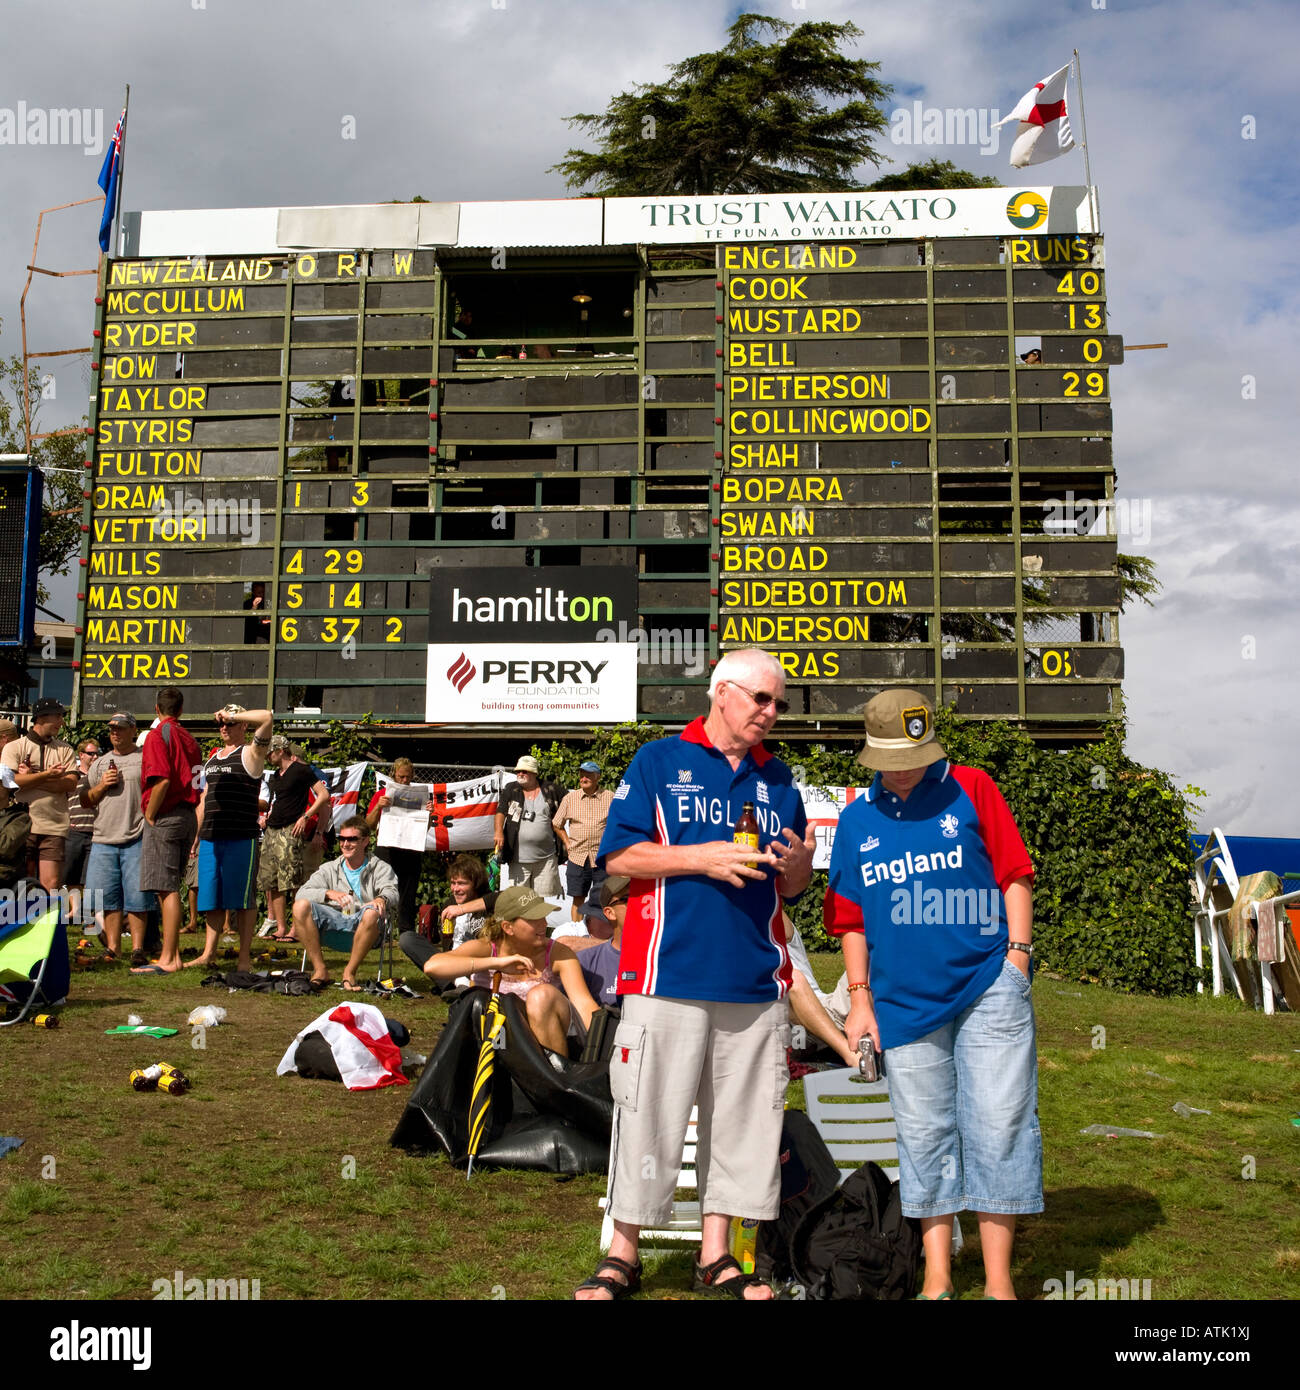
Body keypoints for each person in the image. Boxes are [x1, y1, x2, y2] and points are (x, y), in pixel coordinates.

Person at [575, 648, 815, 1302]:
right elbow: (618, 853)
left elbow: (793, 887)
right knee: (647, 1117)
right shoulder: (658, 760)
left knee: (744, 1126)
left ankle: (718, 1256)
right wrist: (698, 858)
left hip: (755, 985)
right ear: (722, 693)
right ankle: (622, 1255)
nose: (772, 713)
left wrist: (800, 865)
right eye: (762, 699)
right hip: (666, 976)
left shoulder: (779, 778)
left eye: (778, 704)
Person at [824, 689, 1039, 1301]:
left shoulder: (973, 786)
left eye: (915, 752)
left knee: (1000, 1125)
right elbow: (850, 919)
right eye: (892, 754)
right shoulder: (857, 820)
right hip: (902, 1004)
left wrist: (1017, 959)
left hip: (988, 986)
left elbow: (1014, 874)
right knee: (924, 1134)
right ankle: (938, 1276)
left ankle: (999, 1283)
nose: (905, 764)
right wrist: (860, 998)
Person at [423, 884, 600, 1054]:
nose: (544, 924)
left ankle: (551, 1080)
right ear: (508, 927)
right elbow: (432, 966)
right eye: (534, 919)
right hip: (495, 1040)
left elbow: (583, 1005)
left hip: (544, 1041)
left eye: (543, 917)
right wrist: (496, 963)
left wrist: (606, 1048)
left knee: (541, 996)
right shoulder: (487, 948)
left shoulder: (557, 952)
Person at [187, 704, 274, 973]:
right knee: (211, 898)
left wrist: (234, 714)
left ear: (243, 725)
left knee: (242, 900)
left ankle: (244, 958)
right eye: (221, 724)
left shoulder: (251, 753)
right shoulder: (212, 759)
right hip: (211, 837)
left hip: (240, 837)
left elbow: (268, 717)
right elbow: (203, 800)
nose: (224, 727)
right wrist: (196, 835)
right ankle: (208, 953)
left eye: (230, 723)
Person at [136, 688, 202, 974]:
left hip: (167, 814)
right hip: (187, 814)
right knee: (172, 884)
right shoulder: (190, 738)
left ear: (156, 708)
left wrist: (150, 813)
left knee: (166, 887)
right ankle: (171, 955)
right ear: (181, 710)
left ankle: (169, 958)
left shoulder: (156, 735)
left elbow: (161, 780)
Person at [292, 815, 398, 990]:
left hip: (367, 927)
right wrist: (328, 893)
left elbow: (392, 891)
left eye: (352, 839)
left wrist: (381, 898)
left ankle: (349, 973)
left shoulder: (380, 867)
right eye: (342, 839)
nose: (345, 844)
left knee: (372, 911)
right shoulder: (329, 868)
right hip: (332, 926)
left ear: (365, 841)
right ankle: (320, 971)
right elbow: (302, 893)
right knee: (300, 906)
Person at [82, 713, 153, 967]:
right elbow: (85, 800)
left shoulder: (144, 760)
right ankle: (113, 948)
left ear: (133, 730)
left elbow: (156, 791)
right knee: (107, 898)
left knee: (137, 898)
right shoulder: (100, 763)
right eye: (112, 729)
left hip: (136, 836)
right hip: (103, 838)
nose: (115, 733)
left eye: (121, 728)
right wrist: (101, 786)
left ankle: (137, 949)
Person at [2, 698, 78, 897]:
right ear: (41, 717)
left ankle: (47, 926)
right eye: (58, 716)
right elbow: (9, 781)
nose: (61, 721)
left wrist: (29, 778)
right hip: (20, 824)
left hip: (54, 825)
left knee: (51, 884)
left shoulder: (65, 749)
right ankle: (20, 925)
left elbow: (70, 784)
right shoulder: (15, 747)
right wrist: (47, 775)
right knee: (21, 882)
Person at [258, 735, 330, 942]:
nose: (268, 756)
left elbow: (323, 796)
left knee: (292, 881)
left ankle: (296, 928)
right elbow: (279, 801)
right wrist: (268, 818)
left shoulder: (301, 770)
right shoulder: (276, 775)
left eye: (270, 752)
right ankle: (281, 927)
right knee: (273, 882)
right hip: (272, 830)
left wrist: (305, 817)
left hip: (290, 830)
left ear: (281, 750)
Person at [398, 852, 498, 973]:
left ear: (475, 884)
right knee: (407, 939)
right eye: (453, 883)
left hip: (478, 967)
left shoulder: (489, 901)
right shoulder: (449, 904)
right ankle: (451, 984)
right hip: (451, 965)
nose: (455, 889)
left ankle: (459, 987)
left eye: (461, 883)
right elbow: (446, 943)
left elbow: (508, 896)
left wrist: (462, 909)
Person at [365, 757, 432, 936]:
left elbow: (425, 828)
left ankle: (405, 933)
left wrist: (428, 815)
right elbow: (368, 825)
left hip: (410, 848)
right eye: (401, 777)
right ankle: (375, 930)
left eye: (408, 777)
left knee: (408, 894)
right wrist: (378, 808)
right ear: (393, 774)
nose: (404, 780)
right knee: (380, 889)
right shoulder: (382, 794)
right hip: (386, 848)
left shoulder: (419, 795)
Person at [494, 756, 563, 896]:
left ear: (534, 773)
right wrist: (498, 832)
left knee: (540, 903)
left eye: (524, 771)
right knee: (519, 901)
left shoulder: (550, 789)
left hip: (546, 858)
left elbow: (569, 803)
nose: (520, 774)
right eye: (518, 771)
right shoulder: (511, 789)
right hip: (518, 858)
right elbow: (501, 812)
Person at [554, 760, 613, 920]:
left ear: (597, 777)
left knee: (603, 900)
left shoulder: (610, 798)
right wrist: (567, 843)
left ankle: (600, 938)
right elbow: (556, 823)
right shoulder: (570, 798)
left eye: (588, 774)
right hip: (577, 858)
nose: (583, 778)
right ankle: (577, 934)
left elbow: (620, 823)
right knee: (578, 899)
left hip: (601, 858)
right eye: (581, 774)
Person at [570, 874, 630, 1010]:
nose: (639, 902)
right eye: (627, 899)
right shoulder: (585, 961)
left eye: (642, 896)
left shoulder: (666, 955)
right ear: (609, 913)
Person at [64, 738, 102, 926]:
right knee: (72, 874)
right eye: (91, 753)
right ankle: (76, 910)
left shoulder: (100, 776)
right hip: (75, 829)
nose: (94, 756)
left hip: (95, 831)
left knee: (90, 876)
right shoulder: (73, 776)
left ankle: (87, 913)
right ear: (81, 755)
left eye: (97, 753)